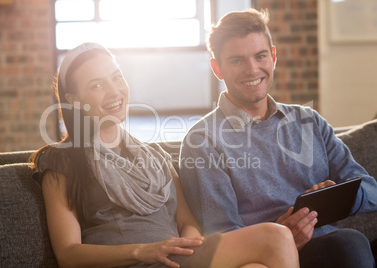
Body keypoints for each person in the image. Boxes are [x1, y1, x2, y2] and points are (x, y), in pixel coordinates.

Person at [30, 42, 299, 268]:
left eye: (116, 76)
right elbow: (68, 253)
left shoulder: (155, 156)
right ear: (73, 99)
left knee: (265, 255)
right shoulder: (61, 160)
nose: (114, 91)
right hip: (133, 262)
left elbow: (188, 223)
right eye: (97, 85)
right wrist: (142, 251)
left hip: (176, 259)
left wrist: (184, 247)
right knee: (275, 238)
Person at [179, 8, 377, 268]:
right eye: (237, 60)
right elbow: (221, 237)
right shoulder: (203, 141)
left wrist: (338, 197)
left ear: (273, 57)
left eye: (260, 56)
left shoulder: (309, 121)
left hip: (337, 247)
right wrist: (277, 237)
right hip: (277, 257)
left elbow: (371, 191)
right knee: (349, 243)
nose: (253, 70)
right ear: (217, 67)